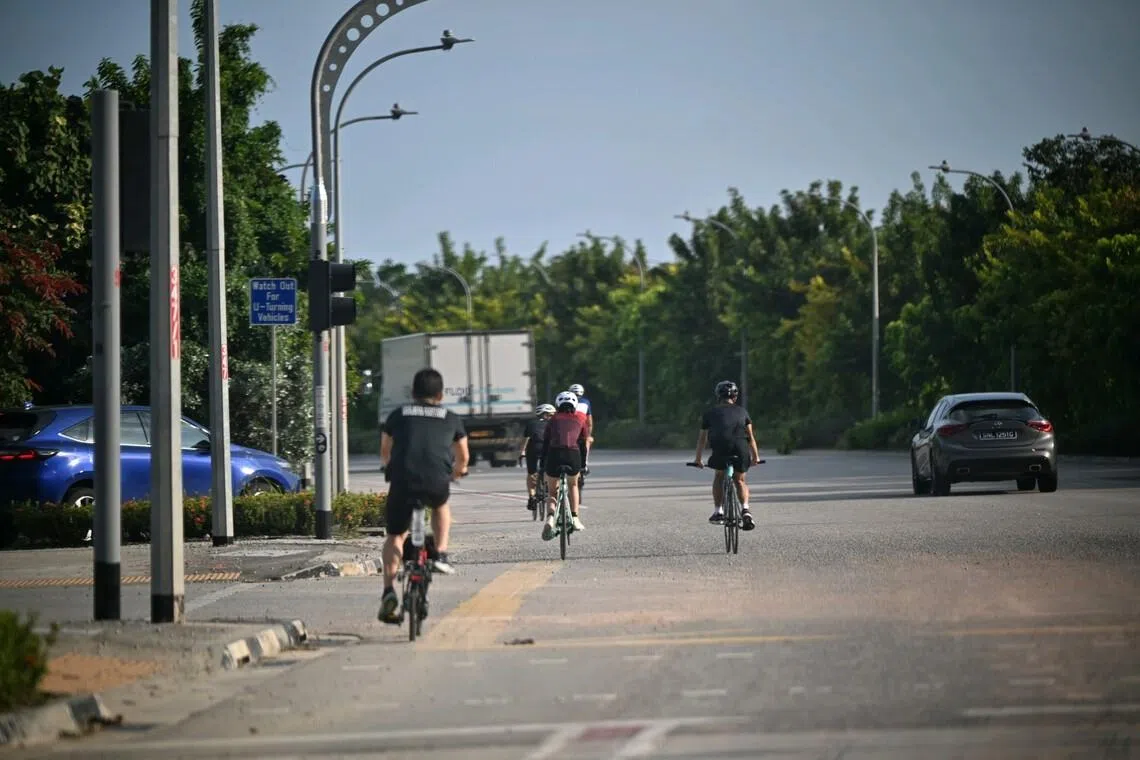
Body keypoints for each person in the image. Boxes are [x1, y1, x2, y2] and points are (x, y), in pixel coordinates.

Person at [377, 368, 469, 625]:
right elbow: (463, 457)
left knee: (396, 535)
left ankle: (388, 590)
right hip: (435, 483)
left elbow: (385, 450)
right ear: (440, 395)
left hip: (403, 481)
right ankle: (440, 553)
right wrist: (458, 473)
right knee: (441, 505)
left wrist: (389, 466)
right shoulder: (450, 418)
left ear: (413, 393)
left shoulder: (398, 415)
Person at [690, 380, 759, 530]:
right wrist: (756, 457)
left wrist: (697, 459)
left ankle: (718, 511)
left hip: (720, 449)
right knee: (740, 480)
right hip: (740, 449)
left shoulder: (709, 413)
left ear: (718, 397)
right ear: (735, 397)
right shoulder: (743, 412)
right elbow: (750, 437)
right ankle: (746, 510)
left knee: (719, 476)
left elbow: (702, 439)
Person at [540, 390, 587, 540]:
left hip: (554, 455)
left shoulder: (552, 420)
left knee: (552, 492)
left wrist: (542, 465)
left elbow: (546, 444)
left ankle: (550, 518)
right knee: (573, 485)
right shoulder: (581, 418)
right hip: (573, 455)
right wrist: (583, 465)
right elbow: (583, 444)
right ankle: (575, 517)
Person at [520, 403, 555, 512]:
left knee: (531, 473)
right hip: (548, 448)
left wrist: (522, 452)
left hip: (533, 449)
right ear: (545, 415)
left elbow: (526, 439)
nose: (552, 417)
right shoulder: (553, 424)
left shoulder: (531, 423)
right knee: (548, 470)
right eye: (551, 415)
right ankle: (548, 486)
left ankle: (532, 496)